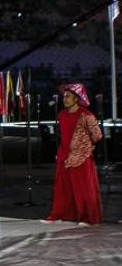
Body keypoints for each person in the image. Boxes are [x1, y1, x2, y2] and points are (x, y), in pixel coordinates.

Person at [45, 84, 103, 225]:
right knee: (62, 188)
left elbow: (97, 135)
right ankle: (60, 214)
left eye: (68, 96)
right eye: (64, 96)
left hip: (81, 157)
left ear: (76, 98)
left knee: (84, 188)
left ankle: (88, 218)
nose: (64, 99)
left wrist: (85, 147)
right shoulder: (62, 114)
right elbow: (63, 135)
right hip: (64, 154)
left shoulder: (86, 115)